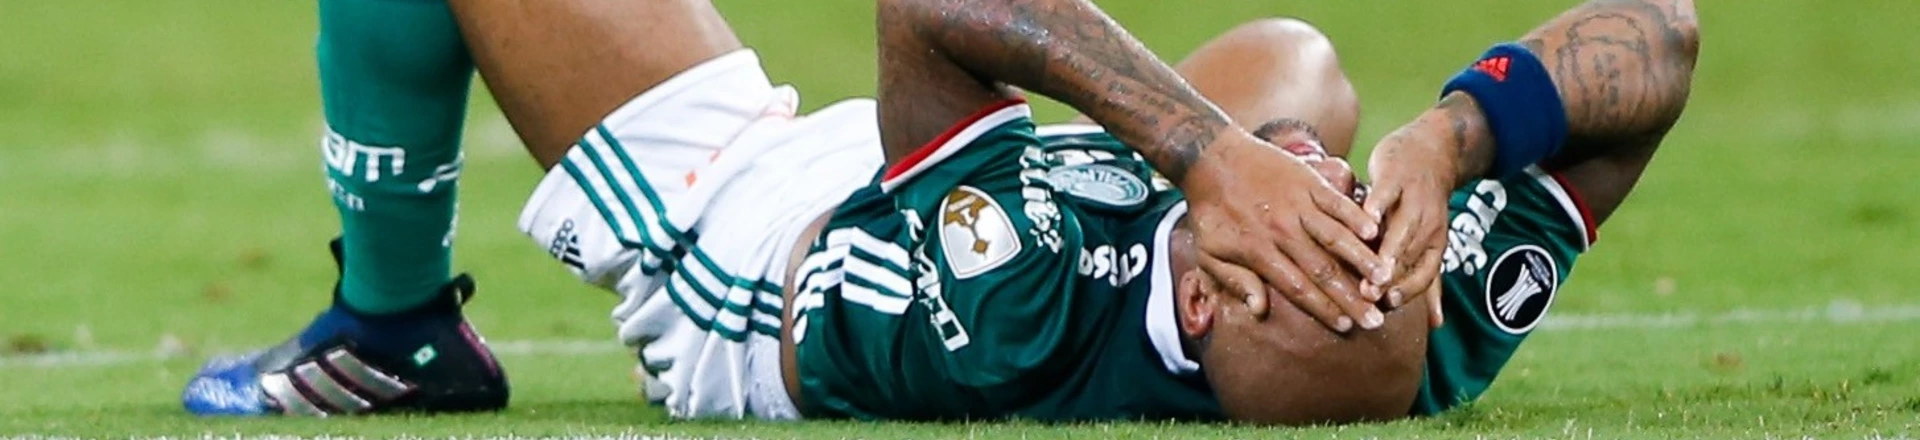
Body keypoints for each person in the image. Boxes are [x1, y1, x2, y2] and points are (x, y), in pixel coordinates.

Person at [191, 0, 1702, 425]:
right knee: (1303, 66)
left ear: (1202, 297)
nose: (1333, 196)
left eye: (1314, 225)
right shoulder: (1417, 348)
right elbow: (1663, 38)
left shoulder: (1009, 317)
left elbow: (930, 10)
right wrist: (1440, 147)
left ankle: (393, 334)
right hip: (1021, 203)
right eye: (1362, 222)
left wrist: (1203, 156)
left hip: (740, 235)